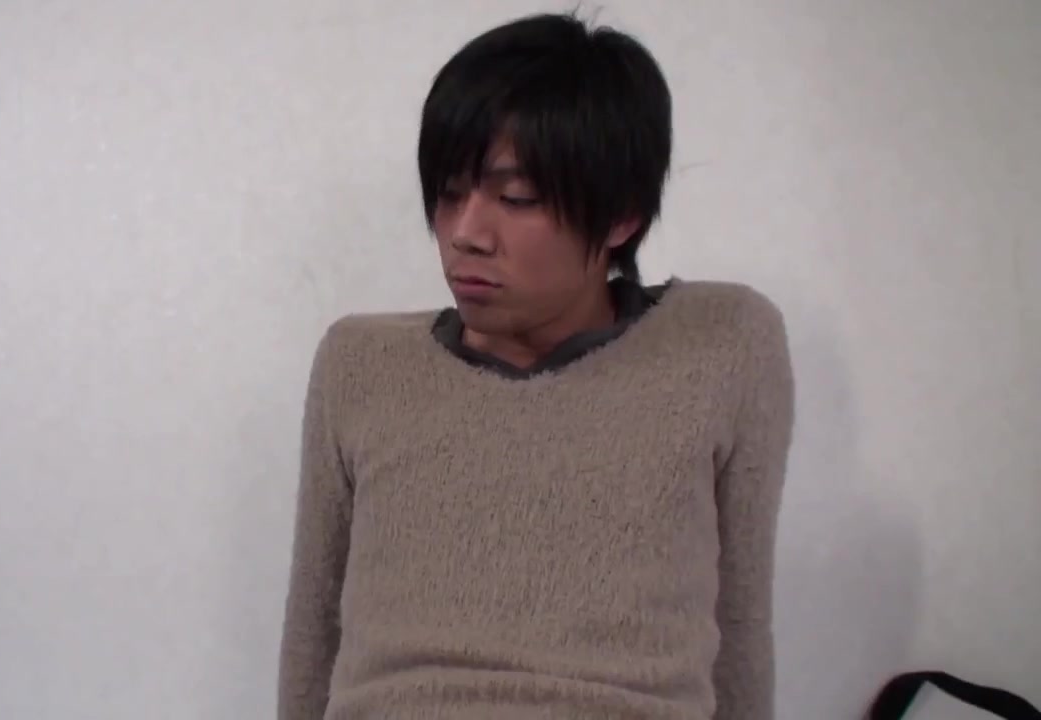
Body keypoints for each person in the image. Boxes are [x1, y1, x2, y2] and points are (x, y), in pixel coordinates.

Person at [278, 11, 794, 720]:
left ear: (621, 216)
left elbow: (740, 623)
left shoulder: (721, 345)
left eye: (515, 198)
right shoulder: (360, 365)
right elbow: (312, 638)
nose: (466, 234)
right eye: (449, 194)